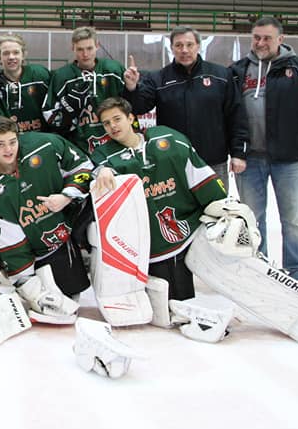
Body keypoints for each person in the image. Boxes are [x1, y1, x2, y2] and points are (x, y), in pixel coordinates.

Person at [91, 97, 227, 302]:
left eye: (117, 119)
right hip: (146, 241)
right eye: (106, 123)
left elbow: (197, 174)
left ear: (131, 118)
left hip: (186, 230)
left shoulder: (168, 139)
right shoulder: (104, 155)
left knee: (186, 297)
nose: (113, 126)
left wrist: (221, 206)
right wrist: (102, 170)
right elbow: (93, 171)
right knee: (161, 302)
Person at [230, 16, 298, 284]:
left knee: (294, 219)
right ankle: (258, 267)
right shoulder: (239, 70)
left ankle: (297, 273)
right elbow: (229, 114)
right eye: (256, 37)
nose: (260, 43)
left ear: (280, 39)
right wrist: (234, 150)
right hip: (249, 159)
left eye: (267, 38)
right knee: (252, 219)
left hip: (290, 159)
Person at [0, 117, 93, 323]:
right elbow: (10, 242)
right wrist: (29, 285)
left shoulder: (46, 144)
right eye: (0, 144)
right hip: (40, 249)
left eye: (12, 142)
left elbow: (84, 167)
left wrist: (66, 196)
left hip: (72, 226)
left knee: (105, 187)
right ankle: (16, 283)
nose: (8, 150)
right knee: (64, 298)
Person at [124, 26, 247, 192]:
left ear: (198, 46)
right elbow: (139, 107)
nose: (184, 50)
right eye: (179, 45)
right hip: (173, 160)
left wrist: (238, 153)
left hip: (213, 161)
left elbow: (235, 115)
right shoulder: (158, 78)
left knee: (216, 206)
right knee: (178, 207)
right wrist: (132, 88)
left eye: (189, 45)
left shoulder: (221, 75)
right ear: (172, 47)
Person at [45, 26, 127, 154]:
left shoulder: (114, 70)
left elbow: (131, 108)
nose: (85, 54)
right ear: (73, 48)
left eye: (89, 48)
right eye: (80, 49)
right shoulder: (62, 77)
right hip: (78, 147)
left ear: (97, 46)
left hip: (116, 144)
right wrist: (68, 113)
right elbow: (50, 115)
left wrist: (132, 88)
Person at [0, 33, 53, 133]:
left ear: (23, 55)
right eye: (6, 53)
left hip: (41, 137)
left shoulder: (40, 75)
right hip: (9, 139)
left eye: (16, 52)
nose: (11, 57)